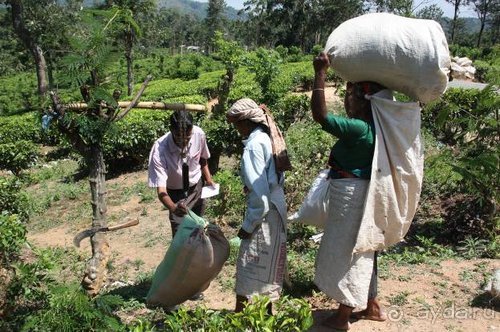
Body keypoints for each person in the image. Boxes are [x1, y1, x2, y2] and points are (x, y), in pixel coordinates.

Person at [311, 52, 387, 330]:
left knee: (350, 252)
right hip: (365, 194)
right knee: (365, 249)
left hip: (351, 197)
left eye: (351, 95)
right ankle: (372, 306)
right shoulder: (379, 127)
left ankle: (343, 315)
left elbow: (320, 116)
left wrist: (320, 73)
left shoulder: (359, 128)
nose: (347, 99)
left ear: (364, 101)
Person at [226, 98, 292, 314]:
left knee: (248, 262)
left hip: (265, 210)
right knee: (269, 263)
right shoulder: (265, 137)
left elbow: (259, 194)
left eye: (236, 124)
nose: (235, 129)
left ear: (245, 122)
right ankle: (267, 314)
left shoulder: (254, 145)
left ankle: (240, 314)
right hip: (276, 206)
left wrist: (247, 225)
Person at [148, 110, 215, 238]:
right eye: (179, 137)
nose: (184, 141)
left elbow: (202, 158)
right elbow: (161, 191)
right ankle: (184, 257)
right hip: (175, 195)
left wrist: (208, 179)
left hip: (196, 188)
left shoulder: (199, 134)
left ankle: (197, 255)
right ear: (171, 130)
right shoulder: (159, 149)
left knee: (198, 227)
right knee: (181, 234)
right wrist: (174, 208)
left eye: (188, 137)